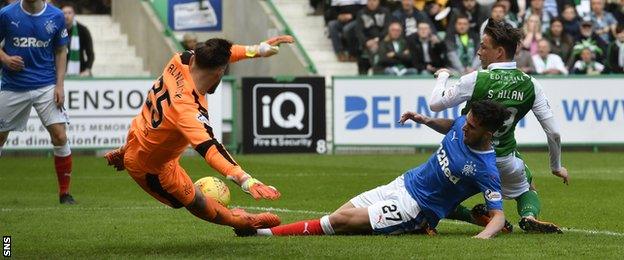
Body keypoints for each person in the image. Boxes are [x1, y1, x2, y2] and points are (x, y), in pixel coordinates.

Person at [236, 100, 510, 239]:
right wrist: (424, 119)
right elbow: (452, 124)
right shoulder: (464, 123)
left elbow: (498, 215)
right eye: (467, 121)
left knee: (339, 223)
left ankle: (261, 233)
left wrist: (482, 238)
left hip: (415, 209)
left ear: (489, 132)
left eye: (472, 127)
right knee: (339, 215)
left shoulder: (485, 168)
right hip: (403, 183)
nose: (465, 127)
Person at [103, 36, 294, 230]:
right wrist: (245, 179)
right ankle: (243, 222)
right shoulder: (187, 108)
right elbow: (211, 150)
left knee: (189, 193)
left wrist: (258, 50)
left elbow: (224, 53)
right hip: (151, 168)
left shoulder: (182, 59)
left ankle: (127, 150)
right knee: (194, 201)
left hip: (139, 137)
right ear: (220, 71)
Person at [429, 20, 569, 233]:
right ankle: (529, 215)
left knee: (441, 197)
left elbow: (435, 103)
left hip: (465, 156)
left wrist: (443, 77)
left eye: (484, 47)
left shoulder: (477, 79)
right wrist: (556, 167)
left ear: (499, 52)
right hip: (504, 160)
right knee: (528, 186)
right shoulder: (531, 84)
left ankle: (472, 217)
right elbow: (554, 132)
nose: (478, 52)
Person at [0, 0, 75, 204]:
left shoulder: (56, 16)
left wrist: (60, 85)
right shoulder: (6, 14)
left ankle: (65, 194)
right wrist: (5, 59)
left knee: (60, 136)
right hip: (14, 85)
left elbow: (61, 51)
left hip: (46, 85)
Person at [354, 0, 391, 74]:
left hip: (381, 42)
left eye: (374, 1)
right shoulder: (361, 13)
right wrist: (366, 41)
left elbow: (387, 28)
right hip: (366, 43)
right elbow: (359, 30)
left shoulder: (385, 12)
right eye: (369, 1)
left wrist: (377, 40)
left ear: (378, 1)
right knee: (362, 59)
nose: (372, 3)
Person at [62, 3, 94, 77]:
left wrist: (87, 70)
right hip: (60, 71)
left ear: (74, 14)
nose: (67, 16)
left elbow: (90, 53)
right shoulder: (56, 31)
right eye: (64, 13)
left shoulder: (83, 30)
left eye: (69, 13)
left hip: (80, 71)